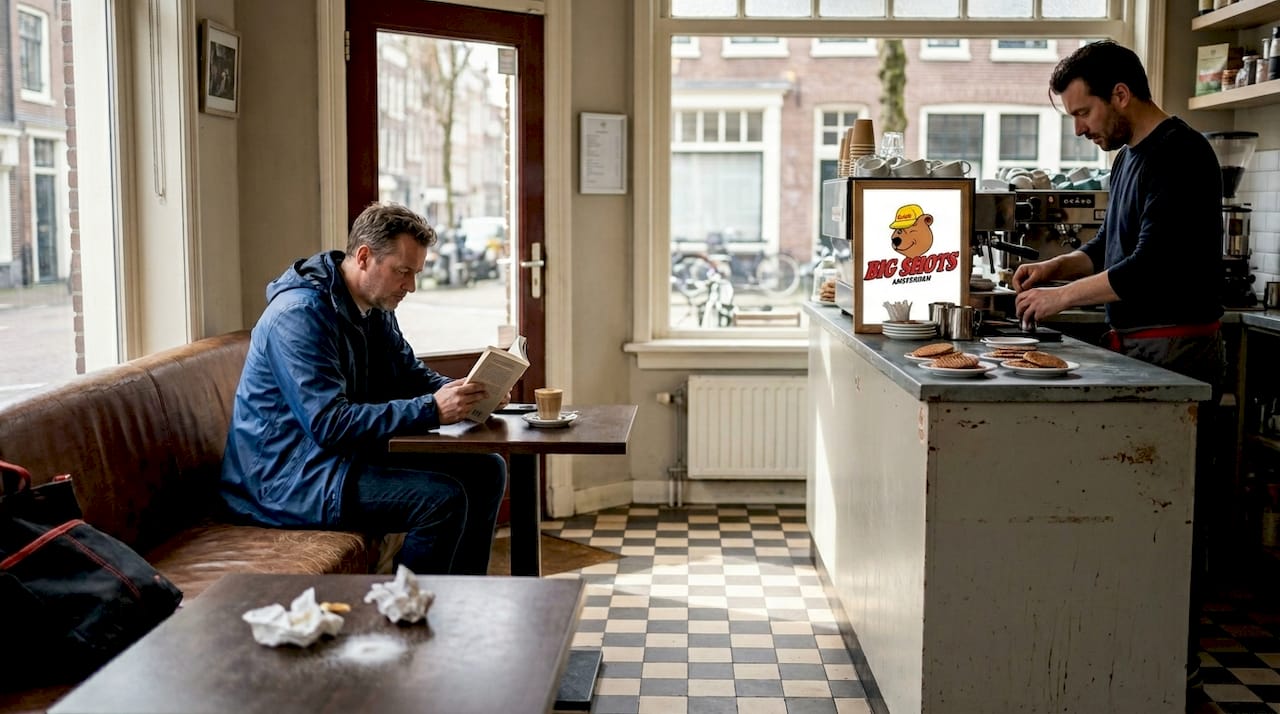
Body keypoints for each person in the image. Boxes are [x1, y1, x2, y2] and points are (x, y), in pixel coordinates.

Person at [1013, 40, 1226, 686]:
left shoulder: (1183, 155)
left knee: (1173, 512)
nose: (1080, 129)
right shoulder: (1130, 157)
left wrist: (1059, 298)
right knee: (1135, 507)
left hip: (1177, 350)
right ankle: (1131, 648)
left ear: (1121, 95)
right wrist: (1056, 266)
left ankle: (1173, 665)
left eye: (1083, 113)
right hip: (1138, 349)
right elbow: (1111, 244)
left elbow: (1149, 266)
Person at [220, 202, 508, 575]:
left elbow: (409, 373)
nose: (411, 286)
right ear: (363, 257)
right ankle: (410, 608)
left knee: (487, 470)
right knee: (441, 501)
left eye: (416, 273)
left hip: (336, 459)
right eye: (403, 272)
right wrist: (432, 409)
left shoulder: (373, 307)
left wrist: (469, 393)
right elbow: (329, 423)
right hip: (284, 480)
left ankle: (464, 599)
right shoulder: (299, 316)